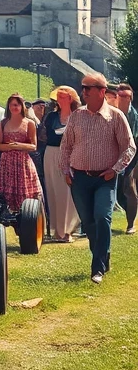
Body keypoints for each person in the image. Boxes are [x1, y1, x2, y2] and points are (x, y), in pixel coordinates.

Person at [59, 73, 136, 284]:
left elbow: (129, 147)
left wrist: (115, 169)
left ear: (102, 91)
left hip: (105, 177)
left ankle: (97, 268)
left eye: (88, 88)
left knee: (103, 217)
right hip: (79, 179)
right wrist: (66, 171)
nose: (83, 92)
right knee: (89, 223)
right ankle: (104, 255)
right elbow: (65, 146)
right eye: (83, 88)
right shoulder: (76, 116)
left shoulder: (116, 117)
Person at [44, 86, 81, 242]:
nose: (59, 100)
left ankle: (67, 230)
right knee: (53, 191)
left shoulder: (78, 116)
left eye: (63, 97)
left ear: (70, 98)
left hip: (71, 154)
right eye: (58, 97)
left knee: (67, 192)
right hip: (51, 153)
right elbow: (45, 135)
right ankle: (56, 230)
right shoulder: (51, 117)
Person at [0, 94, 42, 213]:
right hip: (7, 162)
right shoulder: (3, 123)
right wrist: (9, 147)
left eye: (16, 105)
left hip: (23, 162)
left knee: (26, 194)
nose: (13, 108)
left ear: (22, 106)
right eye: (11, 105)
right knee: (5, 195)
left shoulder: (29, 123)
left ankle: (26, 215)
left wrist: (18, 145)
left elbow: (33, 146)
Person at [114, 83, 138, 234]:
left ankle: (130, 225)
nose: (123, 98)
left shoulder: (134, 117)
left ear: (131, 98)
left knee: (129, 188)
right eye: (120, 95)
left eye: (126, 96)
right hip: (112, 156)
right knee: (115, 191)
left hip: (131, 157)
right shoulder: (111, 112)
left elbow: (133, 140)